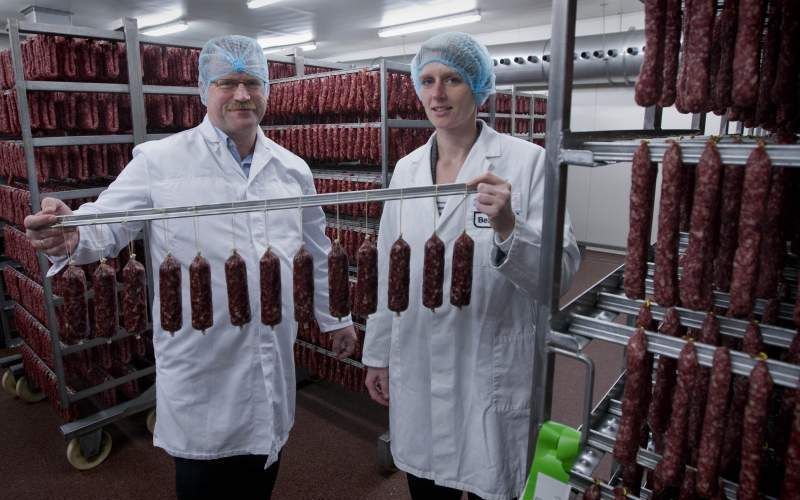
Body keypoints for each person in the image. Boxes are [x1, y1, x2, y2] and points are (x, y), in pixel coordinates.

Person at [24, 35, 357, 500]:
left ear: (267, 89)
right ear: (204, 90)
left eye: (252, 83)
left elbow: (316, 249)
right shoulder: (161, 160)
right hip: (200, 360)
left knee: (262, 474)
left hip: (270, 349)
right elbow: (107, 224)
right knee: (203, 483)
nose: (242, 95)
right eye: (227, 82)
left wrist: (334, 317)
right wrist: (70, 232)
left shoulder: (291, 169)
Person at [362, 32, 581, 500]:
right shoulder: (405, 171)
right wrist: (377, 353)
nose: (437, 93)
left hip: (490, 366)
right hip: (419, 365)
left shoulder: (527, 163)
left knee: (495, 482)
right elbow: (388, 271)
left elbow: (559, 273)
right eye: (427, 80)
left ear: (479, 88)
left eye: (453, 79)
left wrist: (508, 228)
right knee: (427, 487)